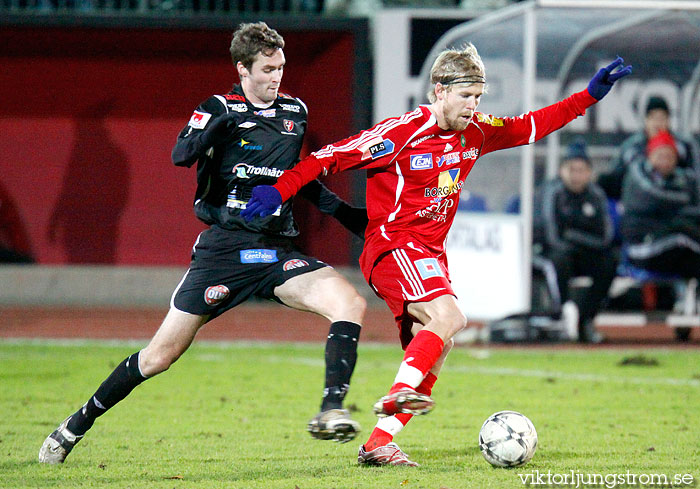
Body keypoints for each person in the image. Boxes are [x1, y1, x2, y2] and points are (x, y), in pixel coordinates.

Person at [241, 44, 631, 465]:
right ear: (439, 90)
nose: (473, 106)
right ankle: (396, 395)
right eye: (466, 96)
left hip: (428, 254)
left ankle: (377, 445)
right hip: (393, 245)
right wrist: (280, 190)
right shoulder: (401, 132)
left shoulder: (477, 131)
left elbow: (532, 124)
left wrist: (589, 96)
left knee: (439, 345)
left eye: (479, 97)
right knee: (451, 318)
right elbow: (328, 157)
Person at [39, 21, 369, 465]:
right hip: (224, 251)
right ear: (243, 67)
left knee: (349, 303)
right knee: (159, 357)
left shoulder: (295, 112)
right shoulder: (219, 107)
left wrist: (345, 215)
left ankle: (331, 409)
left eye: (281, 67)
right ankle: (74, 425)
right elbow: (181, 155)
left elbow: (299, 179)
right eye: (268, 68)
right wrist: (217, 130)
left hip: (275, 252)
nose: (277, 77)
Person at [533, 139, 616, 343]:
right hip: (558, 254)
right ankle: (563, 315)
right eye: (572, 169)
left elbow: (606, 238)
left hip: (586, 253)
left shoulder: (596, 196)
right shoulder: (554, 193)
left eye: (581, 170)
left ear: (589, 172)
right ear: (562, 171)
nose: (576, 175)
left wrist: (573, 237)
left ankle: (585, 319)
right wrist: (574, 241)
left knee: (609, 262)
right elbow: (553, 238)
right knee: (560, 260)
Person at [620, 129, 700, 278]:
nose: (665, 160)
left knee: (694, 261)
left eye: (669, 156)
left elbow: (694, 208)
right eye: (660, 155)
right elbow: (652, 201)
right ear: (650, 155)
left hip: (670, 247)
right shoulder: (637, 176)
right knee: (681, 231)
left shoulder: (682, 180)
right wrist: (681, 201)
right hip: (641, 246)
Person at [598, 96, 700, 199]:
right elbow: (616, 177)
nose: (657, 123)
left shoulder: (684, 146)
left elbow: (695, 176)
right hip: (638, 200)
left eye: (662, 118)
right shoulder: (632, 147)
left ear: (668, 120)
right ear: (646, 120)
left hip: (676, 198)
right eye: (653, 118)